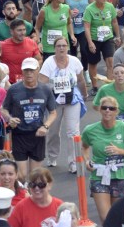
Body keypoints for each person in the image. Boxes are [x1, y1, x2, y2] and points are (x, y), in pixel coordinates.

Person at [82, 94, 124, 221]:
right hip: (99, 176)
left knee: (118, 217)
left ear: (116, 111)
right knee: (106, 218)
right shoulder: (90, 130)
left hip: (119, 176)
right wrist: (87, 161)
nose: (108, 110)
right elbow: (84, 147)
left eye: (111, 108)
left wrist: (119, 151)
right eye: (105, 107)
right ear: (100, 109)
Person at [2, 58, 57, 179]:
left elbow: (53, 112)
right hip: (19, 135)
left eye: (32, 70)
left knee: (35, 176)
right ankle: (23, 195)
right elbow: (3, 109)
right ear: (22, 72)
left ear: (38, 71)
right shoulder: (14, 89)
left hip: (37, 135)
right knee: (21, 175)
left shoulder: (45, 89)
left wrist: (45, 126)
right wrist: (9, 118)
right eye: (26, 70)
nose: (29, 73)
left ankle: (31, 196)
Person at [39, 36, 87, 173]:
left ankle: (73, 162)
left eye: (63, 46)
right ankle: (52, 156)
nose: (61, 48)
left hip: (73, 99)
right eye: (58, 46)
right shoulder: (49, 62)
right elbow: (41, 83)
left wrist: (84, 95)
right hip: (54, 101)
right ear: (54, 48)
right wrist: (54, 86)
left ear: (67, 47)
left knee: (73, 131)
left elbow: (81, 80)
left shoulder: (75, 61)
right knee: (53, 131)